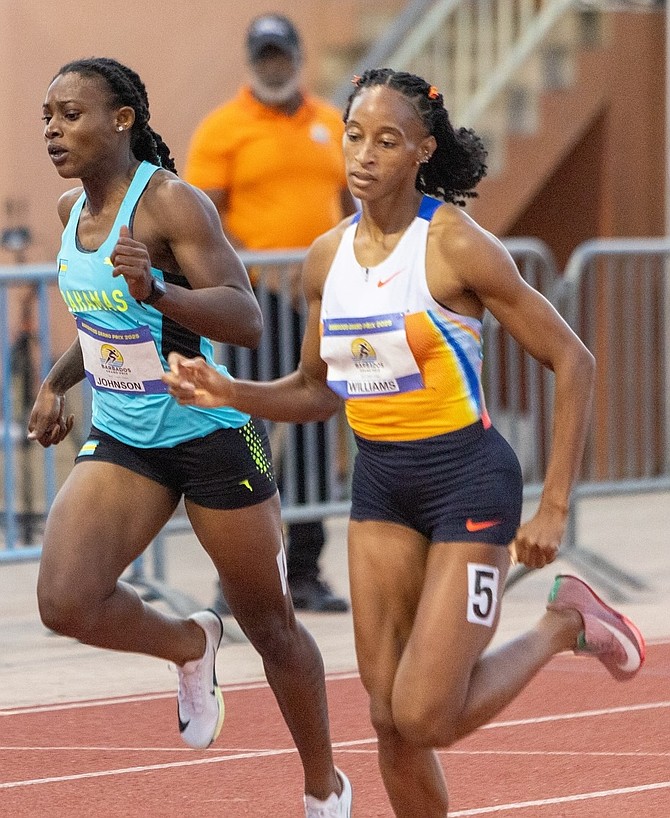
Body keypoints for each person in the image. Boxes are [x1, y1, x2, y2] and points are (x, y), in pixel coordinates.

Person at [164, 68, 646, 817]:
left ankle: (563, 623)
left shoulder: (455, 244)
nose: (363, 154)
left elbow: (572, 360)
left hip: (468, 480)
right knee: (390, 722)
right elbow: (318, 391)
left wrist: (553, 504)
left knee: (425, 714)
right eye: (354, 135)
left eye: (386, 140)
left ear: (421, 149)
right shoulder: (324, 258)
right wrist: (233, 393)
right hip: (382, 486)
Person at [30, 56, 351, 817]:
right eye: (46, 116)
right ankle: (186, 645)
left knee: (271, 625)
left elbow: (246, 318)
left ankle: (324, 789)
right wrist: (56, 380)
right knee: (65, 601)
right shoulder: (71, 211)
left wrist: (161, 288)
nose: (52, 129)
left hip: (208, 432)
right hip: (127, 437)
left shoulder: (173, 206)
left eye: (70, 114)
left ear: (122, 119)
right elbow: (107, 321)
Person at [184, 12, 357, 613]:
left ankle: (305, 569)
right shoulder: (224, 128)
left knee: (312, 426)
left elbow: (350, 200)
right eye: (264, 55)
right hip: (260, 301)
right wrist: (247, 268)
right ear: (251, 60)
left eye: (282, 53)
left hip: (327, 300)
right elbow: (203, 218)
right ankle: (241, 574)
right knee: (244, 429)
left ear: (299, 55)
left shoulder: (332, 123)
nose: (274, 65)